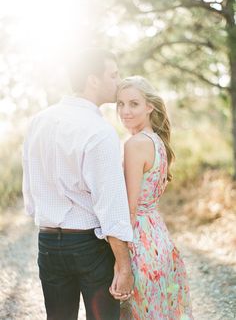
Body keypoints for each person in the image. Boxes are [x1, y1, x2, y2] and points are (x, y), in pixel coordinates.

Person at [22, 49, 134, 320]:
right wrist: (123, 264)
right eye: (113, 74)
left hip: (47, 241)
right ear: (93, 80)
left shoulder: (38, 121)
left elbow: (30, 193)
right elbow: (110, 205)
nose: (119, 81)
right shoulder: (99, 130)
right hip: (88, 245)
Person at [113, 76, 193, 319]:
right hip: (159, 240)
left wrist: (120, 263)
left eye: (134, 104)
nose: (125, 111)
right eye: (120, 104)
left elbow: (129, 208)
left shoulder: (135, 144)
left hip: (140, 245)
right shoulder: (158, 142)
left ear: (150, 106)